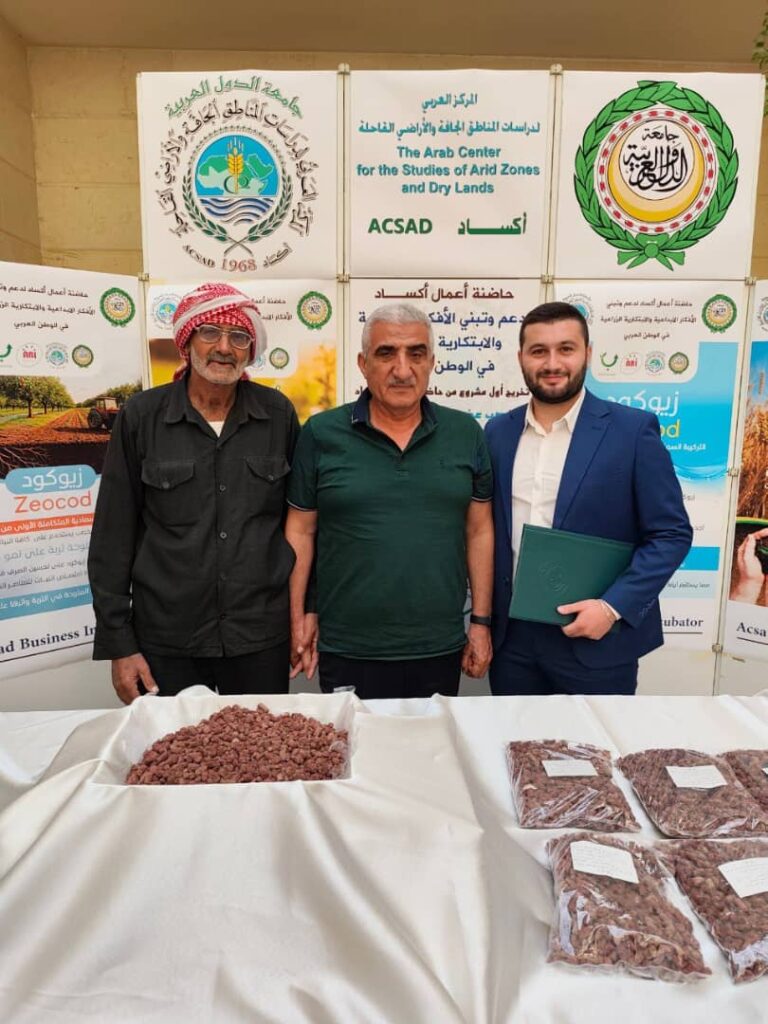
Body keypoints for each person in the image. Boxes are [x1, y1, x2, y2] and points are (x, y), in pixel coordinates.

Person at [88, 282, 299, 703]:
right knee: (174, 746)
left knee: (260, 743)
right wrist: (120, 645)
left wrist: (303, 615)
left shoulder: (278, 414)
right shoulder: (141, 416)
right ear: (186, 342)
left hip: (259, 637)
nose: (224, 347)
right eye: (210, 333)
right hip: (167, 639)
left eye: (239, 337)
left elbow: (301, 525)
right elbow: (113, 535)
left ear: (250, 350)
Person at [285, 303, 494, 700]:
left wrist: (481, 623)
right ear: (363, 364)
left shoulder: (465, 433)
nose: (402, 369)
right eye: (386, 354)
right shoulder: (321, 433)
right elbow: (300, 530)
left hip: (438, 645)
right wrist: (297, 617)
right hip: (347, 646)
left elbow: (479, 530)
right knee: (354, 742)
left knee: (431, 741)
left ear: (431, 362)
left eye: (416, 354)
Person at [485, 301, 692, 696]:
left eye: (566, 349)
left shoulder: (632, 431)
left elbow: (671, 534)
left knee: (596, 739)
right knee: (514, 737)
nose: (552, 363)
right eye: (539, 351)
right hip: (513, 642)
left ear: (588, 353)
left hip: (597, 640)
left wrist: (611, 608)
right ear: (521, 357)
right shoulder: (498, 433)